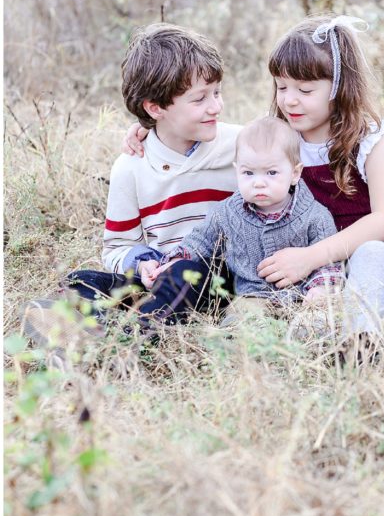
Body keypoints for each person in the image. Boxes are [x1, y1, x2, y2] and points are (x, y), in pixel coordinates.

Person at [22, 22, 240, 359]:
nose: (216, 107)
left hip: (218, 279)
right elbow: (117, 246)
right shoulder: (131, 167)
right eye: (200, 99)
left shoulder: (241, 146)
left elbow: (285, 147)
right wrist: (142, 267)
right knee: (79, 282)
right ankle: (90, 325)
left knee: (186, 273)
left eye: (216, 92)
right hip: (158, 279)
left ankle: (115, 341)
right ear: (155, 108)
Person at [259, 14, 384, 334]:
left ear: (339, 87)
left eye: (305, 89)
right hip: (343, 271)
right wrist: (152, 131)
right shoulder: (280, 137)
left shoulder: (369, 138)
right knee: (370, 253)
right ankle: (362, 343)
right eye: (281, 87)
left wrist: (310, 256)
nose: (289, 99)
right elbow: (225, 140)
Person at [152, 115, 344, 326]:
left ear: (295, 173)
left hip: (302, 296)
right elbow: (199, 241)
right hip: (252, 296)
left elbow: (328, 260)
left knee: (317, 320)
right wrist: (174, 259)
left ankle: (303, 333)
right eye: (248, 173)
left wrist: (319, 288)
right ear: (237, 171)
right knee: (241, 322)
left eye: (271, 173)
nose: (259, 183)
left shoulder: (315, 216)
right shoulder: (226, 213)